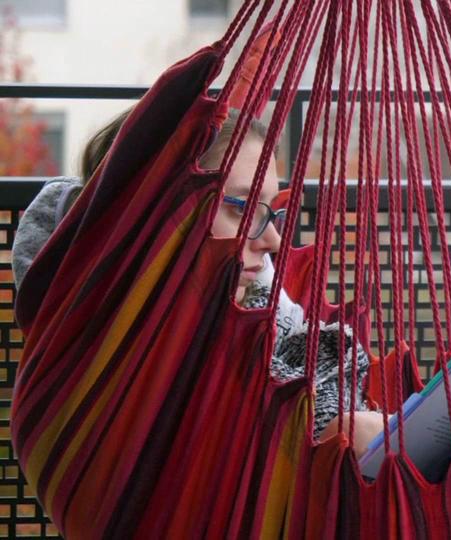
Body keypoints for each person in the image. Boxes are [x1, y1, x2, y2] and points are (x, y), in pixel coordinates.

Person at [12, 107, 384, 453]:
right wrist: (337, 430)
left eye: (270, 210)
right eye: (241, 208)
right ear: (157, 213)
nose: (272, 240)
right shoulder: (113, 349)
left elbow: (309, 367)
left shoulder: (255, 300)